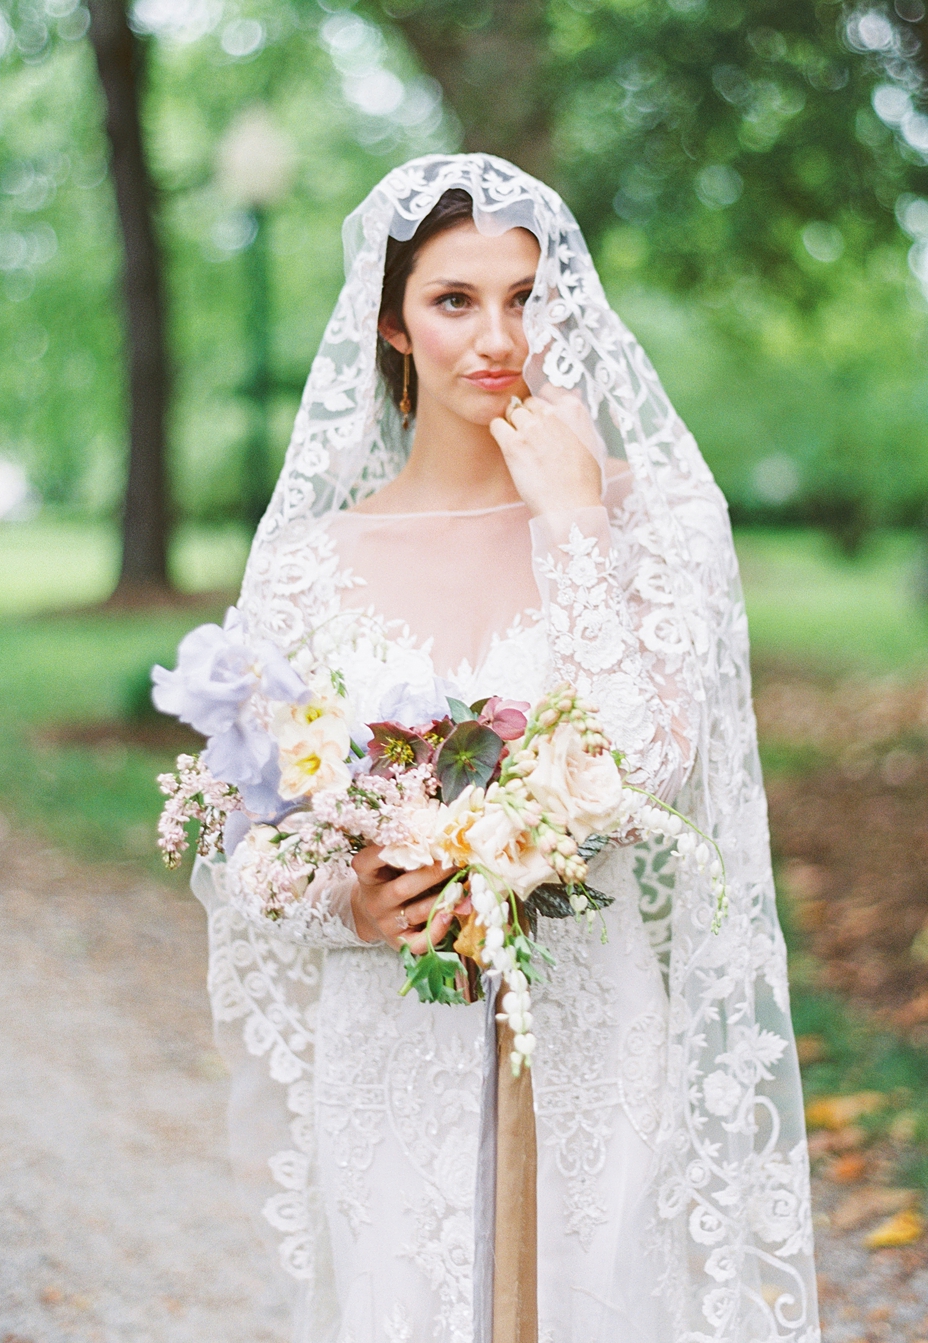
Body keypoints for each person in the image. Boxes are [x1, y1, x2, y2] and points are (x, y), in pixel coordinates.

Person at [192, 154, 819, 1343]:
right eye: (455, 300)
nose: (499, 336)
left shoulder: (655, 520)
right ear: (389, 321)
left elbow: (654, 768)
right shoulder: (308, 562)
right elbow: (244, 838)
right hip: (391, 1040)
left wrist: (574, 521)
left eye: (527, 297)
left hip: (592, 1029)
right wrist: (354, 901)